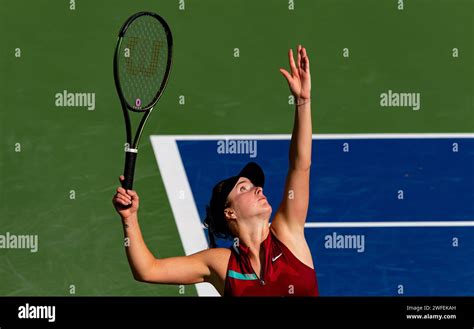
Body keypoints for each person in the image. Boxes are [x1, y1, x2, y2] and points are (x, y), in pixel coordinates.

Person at [113, 45, 317, 296]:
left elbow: (300, 165)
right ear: (230, 212)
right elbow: (148, 270)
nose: (258, 189)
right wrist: (129, 218)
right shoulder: (221, 264)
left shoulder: (288, 234)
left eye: (254, 186)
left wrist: (303, 102)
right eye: (245, 188)